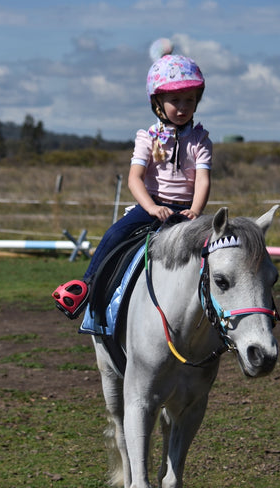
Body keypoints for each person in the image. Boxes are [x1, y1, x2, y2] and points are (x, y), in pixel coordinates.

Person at [52, 38, 212, 319]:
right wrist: (151, 208)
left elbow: (202, 181)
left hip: (188, 211)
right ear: (157, 102)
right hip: (152, 207)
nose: (183, 107)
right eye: (175, 100)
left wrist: (195, 211)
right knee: (115, 234)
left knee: (220, 248)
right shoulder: (147, 138)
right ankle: (86, 286)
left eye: (190, 100)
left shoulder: (200, 140)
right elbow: (135, 179)